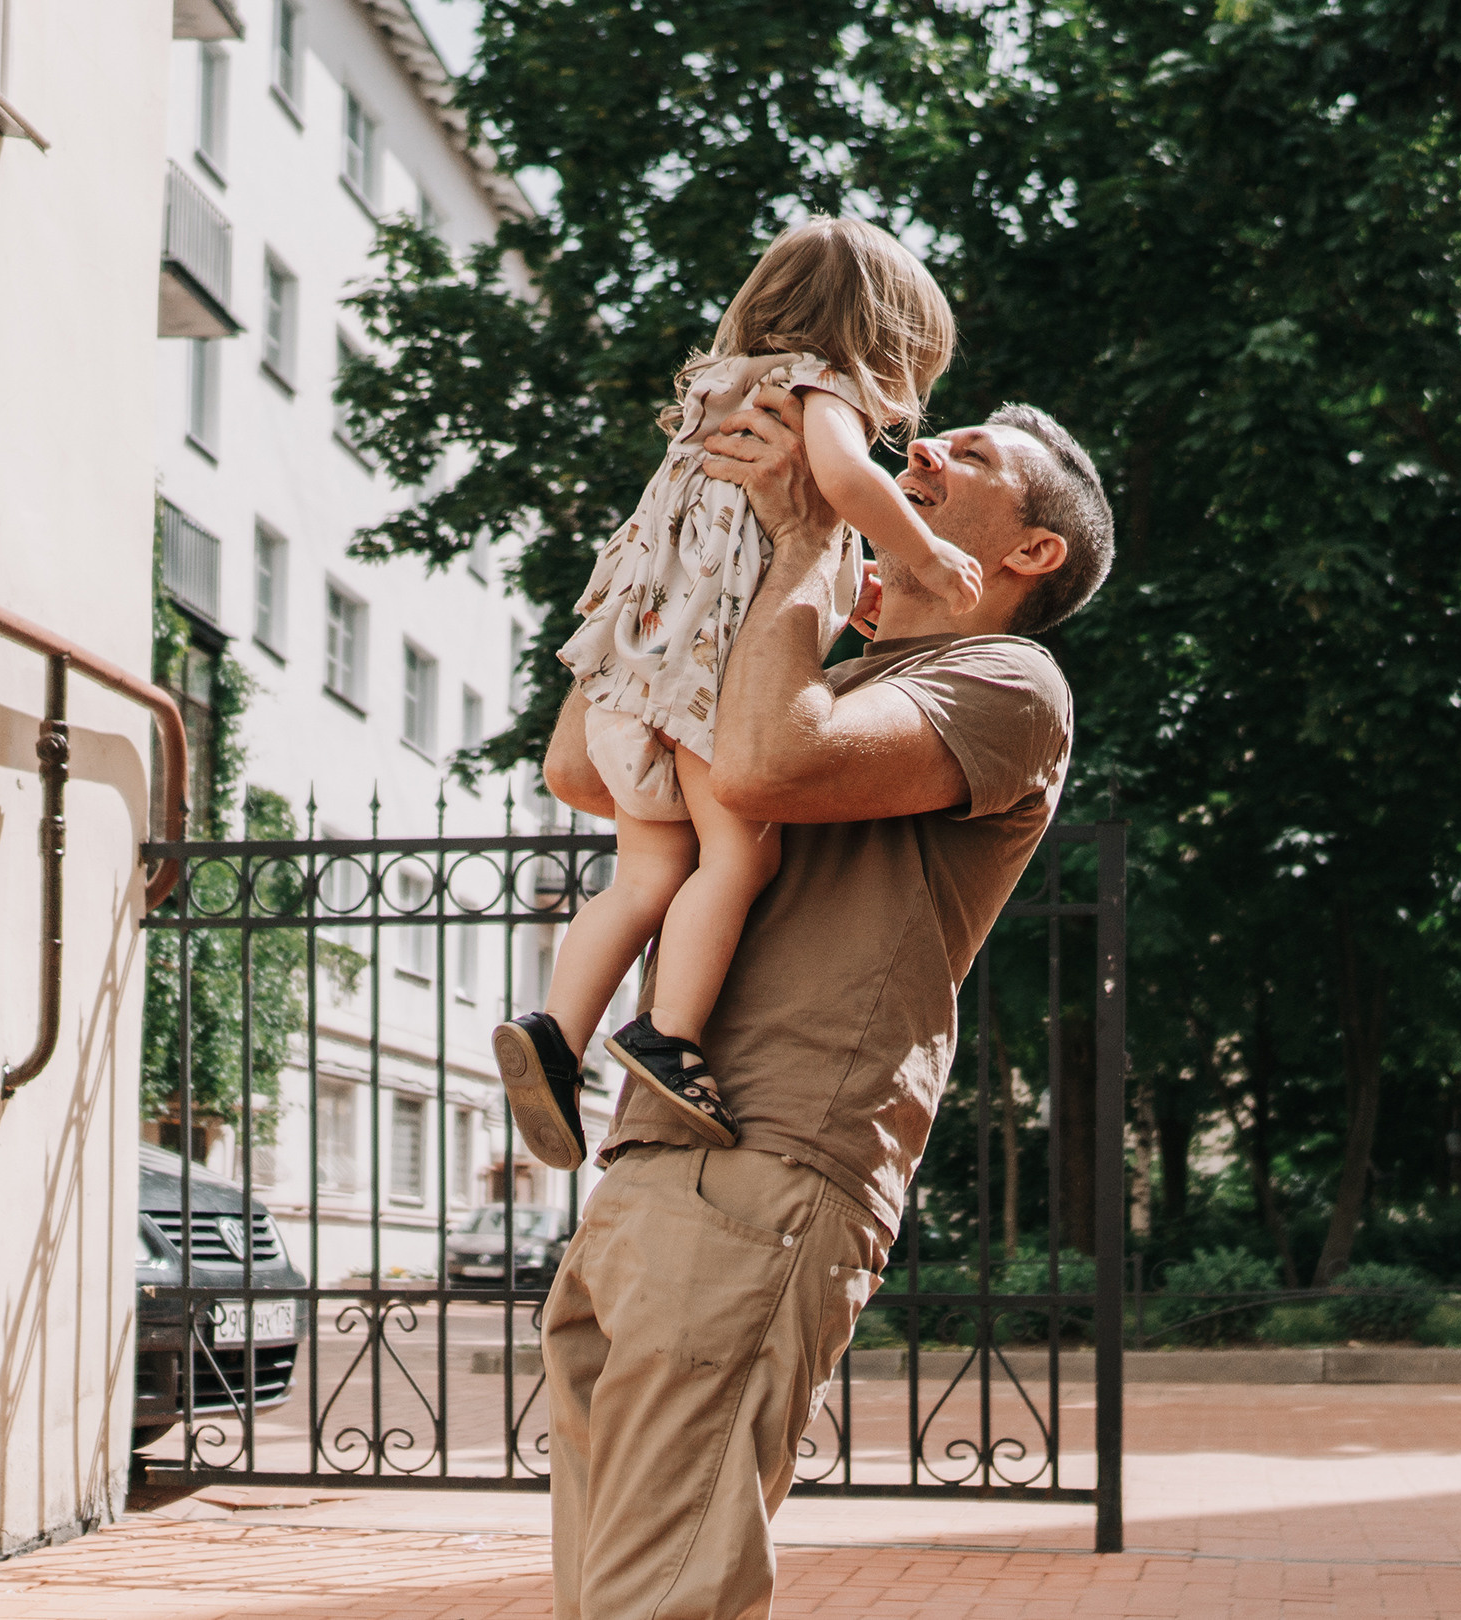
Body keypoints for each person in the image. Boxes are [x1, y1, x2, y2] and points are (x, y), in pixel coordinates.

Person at [533, 382, 1113, 1620]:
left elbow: (768, 763)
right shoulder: (813, 658)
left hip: (772, 1152)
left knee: (657, 1590)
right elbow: (579, 766)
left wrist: (804, 537)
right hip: (652, 1154)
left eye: (964, 454)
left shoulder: (1008, 680)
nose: (919, 449)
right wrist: (684, 545)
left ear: (1030, 549)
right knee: (604, 1588)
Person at [492, 218, 982, 1162]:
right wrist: (919, 549)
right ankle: (666, 1037)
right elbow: (840, 478)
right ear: (877, 341)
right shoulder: (815, 386)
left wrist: (846, 581)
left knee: (644, 877)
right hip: (701, 688)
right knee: (739, 861)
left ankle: (554, 1036)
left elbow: (724, 545)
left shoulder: (710, 396)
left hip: (625, 677)